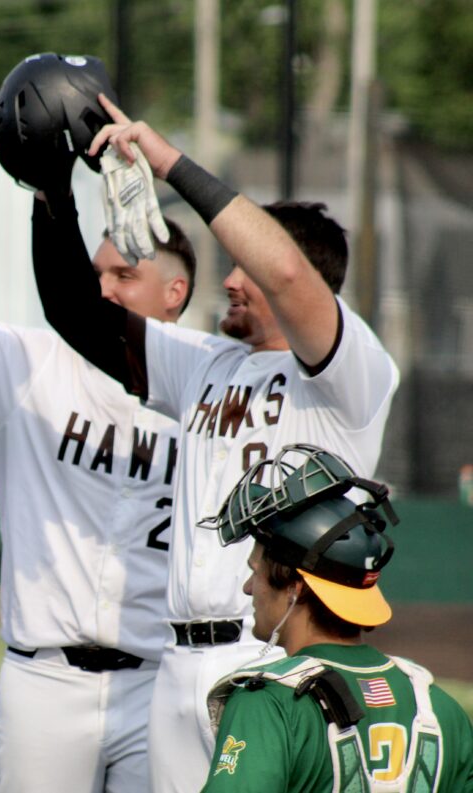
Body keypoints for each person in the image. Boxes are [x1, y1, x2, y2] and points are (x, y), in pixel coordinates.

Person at [31, 95, 400, 793]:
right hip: (177, 669)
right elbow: (75, 315)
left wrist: (168, 162)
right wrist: (50, 187)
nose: (230, 278)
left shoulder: (351, 374)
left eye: (245, 265)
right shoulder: (205, 362)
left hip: (276, 654)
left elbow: (287, 273)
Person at [0, 205, 196, 791]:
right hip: (46, 678)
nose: (102, 288)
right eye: (95, 273)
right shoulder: (30, 360)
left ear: (174, 292)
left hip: (162, 680)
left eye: (124, 276)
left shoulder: (211, 385)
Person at [200, 443, 473, 792]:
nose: (248, 588)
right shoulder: (438, 708)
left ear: (296, 587)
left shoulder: (268, 703)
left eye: (256, 571)